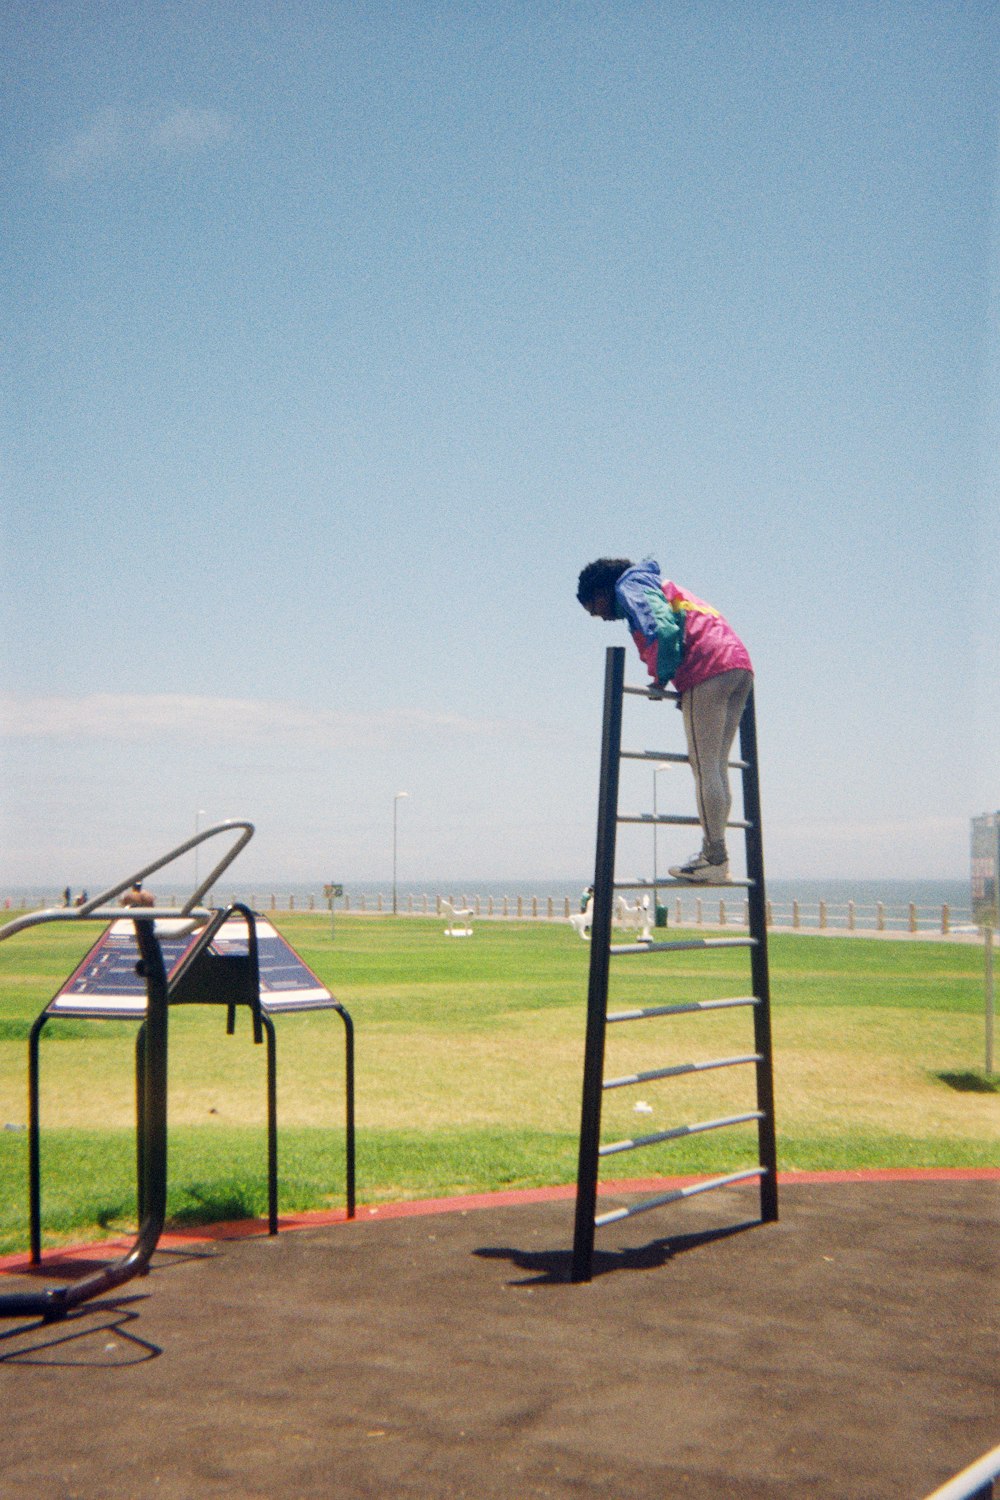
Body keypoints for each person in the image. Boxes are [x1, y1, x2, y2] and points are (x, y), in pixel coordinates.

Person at [577, 556, 753, 884]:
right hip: (738, 665)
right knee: (716, 766)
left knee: (703, 766)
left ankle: (714, 858)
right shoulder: (654, 583)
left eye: (593, 607)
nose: (598, 616)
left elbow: (664, 628)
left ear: (601, 590)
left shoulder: (629, 587)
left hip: (709, 667)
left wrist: (661, 678)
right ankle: (717, 856)